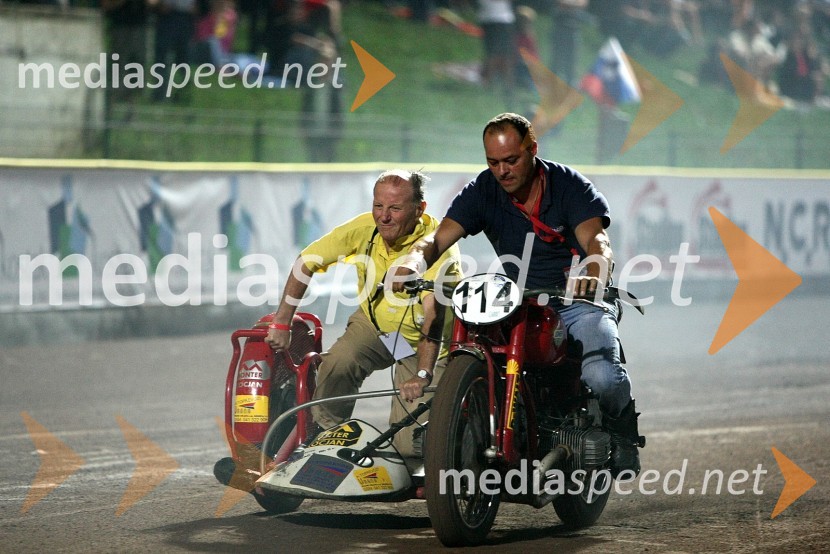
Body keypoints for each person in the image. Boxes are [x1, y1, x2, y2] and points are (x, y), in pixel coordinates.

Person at [391, 113, 643, 475]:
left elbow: (597, 240)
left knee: (603, 376)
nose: (502, 171)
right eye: (493, 162)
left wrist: (596, 267)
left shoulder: (568, 185)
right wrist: (414, 261)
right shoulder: (483, 190)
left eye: (512, 160)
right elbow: (436, 239)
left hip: (577, 300)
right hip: (520, 302)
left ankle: (622, 433)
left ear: (533, 150)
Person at [265, 170, 463, 458]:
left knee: (411, 449)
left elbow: (432, 322)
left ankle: (461, 436)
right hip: (381, 329)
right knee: (338, 364)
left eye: (395, 208)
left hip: (427, 347)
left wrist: (421, 375)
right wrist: (281, 322)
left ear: (420, 209)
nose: (383, 217)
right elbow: (306, 262)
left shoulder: (439, 250)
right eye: (378, 206)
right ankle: (324, 438)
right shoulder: (363, 229)